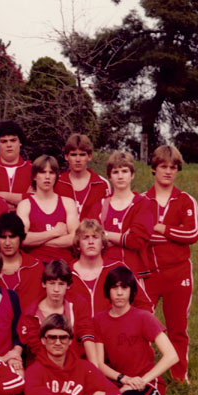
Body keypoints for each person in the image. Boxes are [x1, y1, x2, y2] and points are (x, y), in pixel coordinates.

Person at [93, 266, 178, 395]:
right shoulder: (99, 320)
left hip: (147, 384)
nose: (119, 293)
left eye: (124, 288)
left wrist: (140, 381)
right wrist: (123, 379)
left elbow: (172, 355)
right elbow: (100, 364)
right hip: (118, 382)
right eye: (114, 287)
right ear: (107, 290)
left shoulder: (143, 317)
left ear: (132, 291)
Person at [144, 145, 198, 382]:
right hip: (148, 272)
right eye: (163, 166)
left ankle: (179, 376)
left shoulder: (186, 200)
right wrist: (172, 234)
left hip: (179, 273)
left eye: (173, 167)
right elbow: (140, 236)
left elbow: (193, 234)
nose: (168, 171)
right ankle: (144, 374)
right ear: (154, 169)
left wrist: (161, 228)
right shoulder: (142, 200)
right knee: (142, 325)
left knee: (178, 327)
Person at [18, 260, 96, 366]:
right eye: (51, 283)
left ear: (68, 285)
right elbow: (38, 350)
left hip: (75, 364)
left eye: (61, 284)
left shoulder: (78, 303)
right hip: (44, 367)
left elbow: (87, 332)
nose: (56, 289)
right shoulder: (31, 314)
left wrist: (94, 367)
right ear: (43, 284)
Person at [69, 219, 153, 317]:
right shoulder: (66, 273)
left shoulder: (117, 268)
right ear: (78, 245)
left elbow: (145, 305)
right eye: (85, 238)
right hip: (78, 331)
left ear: (103, 244)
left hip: (113, 330)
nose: (91, 242)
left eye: (95, 237)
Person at [99, 151, 157, 280]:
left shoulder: (143, 203)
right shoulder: (101, 204)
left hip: (133, 272)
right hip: (104, 271)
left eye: (124, 171)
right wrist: (124, 236)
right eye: (115, 172)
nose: (120, 176)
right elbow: (88, 240)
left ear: (132, 175)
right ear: (109, 176)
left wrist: (105, 234)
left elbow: (136, 241)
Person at [16, 155, 78, 264]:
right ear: (35, 176)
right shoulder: (25, 205)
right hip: (36, 264)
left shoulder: (68, 203)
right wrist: (54, 233)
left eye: (51, 172)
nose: (47, 177)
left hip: (64, 264)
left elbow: (75, 239)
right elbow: (22, 239)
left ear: (56, 176)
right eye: (43, 172)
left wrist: (37, 240)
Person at [0, 212, 43, 311]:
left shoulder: (36, 267)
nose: (7, 243)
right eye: (3, 237)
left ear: (21, 238)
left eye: (12, 237)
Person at [54, 133, 109, 221]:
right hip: (64, 234)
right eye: (73, 155)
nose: (78, 159)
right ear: (66, 156)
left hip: (92, 234)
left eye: (82, 155)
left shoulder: (102, 184)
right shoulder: (56, 183)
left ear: (89, 156)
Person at [0, 120, 31, 209]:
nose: (9, 145)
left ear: (20, 142)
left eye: (13, 140)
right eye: (4, 141)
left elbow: (34, 200)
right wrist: (20, 199)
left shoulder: (32, 169)